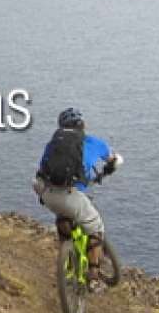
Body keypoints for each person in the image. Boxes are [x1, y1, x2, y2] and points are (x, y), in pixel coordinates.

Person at [33, 107, 123, 281]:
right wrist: (109, 169)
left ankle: (67, 257)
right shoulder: (95, 143)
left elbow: (42, 169)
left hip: (48, 193)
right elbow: (113, 161)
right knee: (96, 227)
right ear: (83, 125)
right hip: (71, 195)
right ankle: (94, 273)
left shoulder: (54, 144)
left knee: (64, 218)